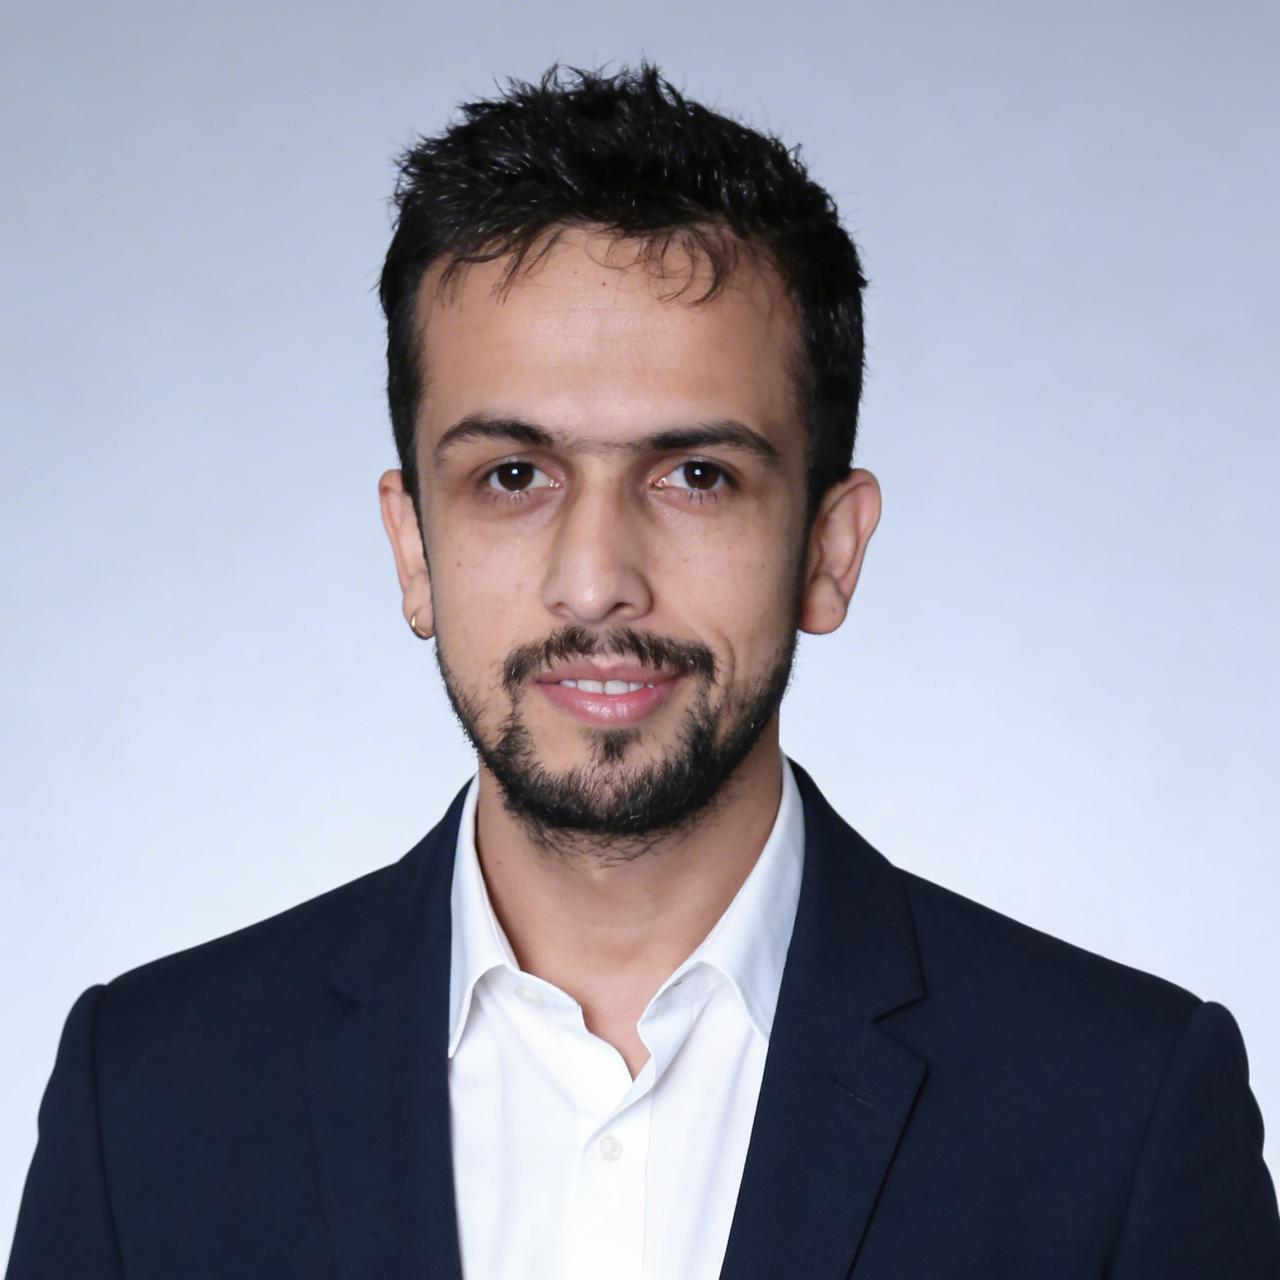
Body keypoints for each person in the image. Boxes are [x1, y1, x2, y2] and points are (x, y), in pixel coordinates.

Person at [7, 62, 1279, 1280]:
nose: (595, 581)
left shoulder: (1120, 1110)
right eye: (513, 475)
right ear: (411, 545)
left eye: (695, 475)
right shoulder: (147, 1095)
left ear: (828, 549)